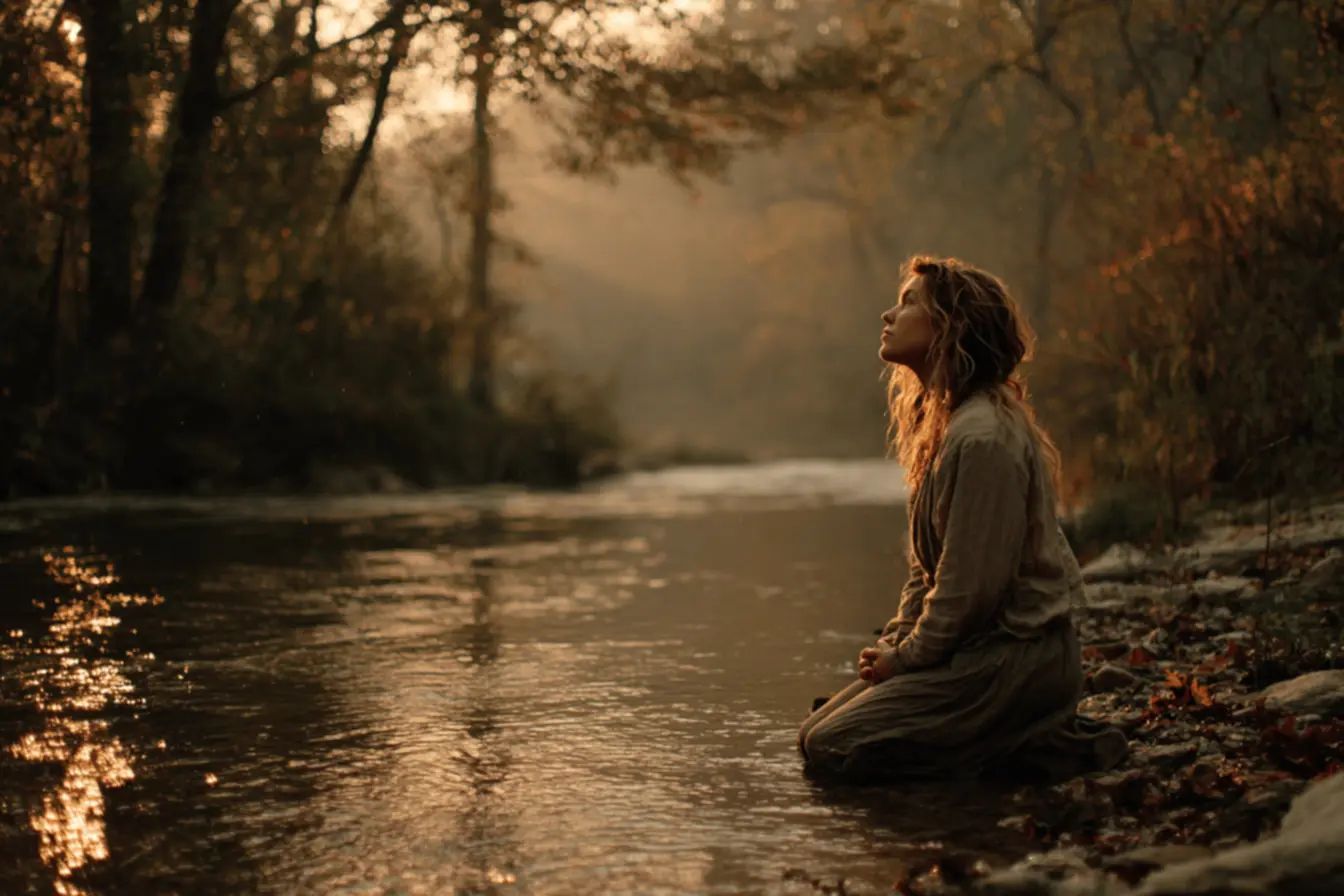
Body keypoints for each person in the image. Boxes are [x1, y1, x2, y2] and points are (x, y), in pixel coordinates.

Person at [797, 256, 1128, 783]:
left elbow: (967, 592)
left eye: (908, 304)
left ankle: (1050, 748)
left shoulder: (982, 439)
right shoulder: (949, 427)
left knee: (832, 745)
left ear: (948, 329)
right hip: (975, 648)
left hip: (1018, 659)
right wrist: (896, 643)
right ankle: (1004, 742)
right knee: (811, 732)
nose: (887, 315)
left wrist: (905, 662)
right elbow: (925, 573)